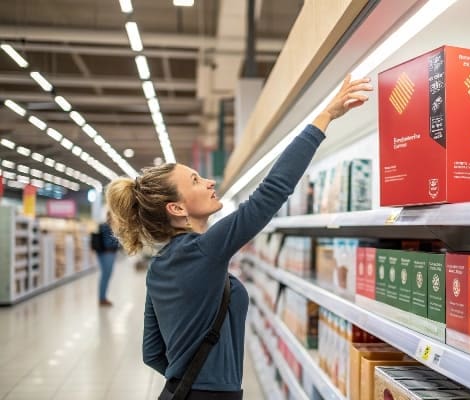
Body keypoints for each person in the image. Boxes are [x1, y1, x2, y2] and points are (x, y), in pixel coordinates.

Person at [105, 75, 372, 399]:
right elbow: (269, 195)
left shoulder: (159, 266)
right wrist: (325, 115)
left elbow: (152, 353)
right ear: (176, 208)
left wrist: (193, 381)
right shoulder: (204, 250)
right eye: (195, 180)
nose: (209, 181)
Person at [97, 211, 119, 306]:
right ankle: (102, 299)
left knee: (106, 275)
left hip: (106, 253)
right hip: (108, 253)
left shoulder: (106, 226)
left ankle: (103, 297)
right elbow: (108, 242)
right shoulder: (107, 226)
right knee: (106, 275)